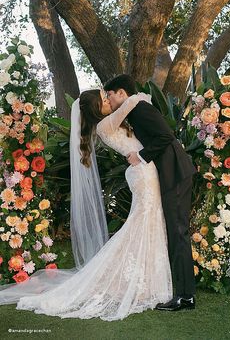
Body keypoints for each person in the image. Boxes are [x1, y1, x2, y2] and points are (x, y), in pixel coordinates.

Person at [0, 89, 172, 321]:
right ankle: (129, 278)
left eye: (105, 96)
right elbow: (131, 102)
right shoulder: (104, 126)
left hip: (144, 170)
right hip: (142, 175)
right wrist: (134, 96)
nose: (108, 101)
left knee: (148, 221)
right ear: (96, 110)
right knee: (142, 221)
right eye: (103, 100)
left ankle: (146, 278)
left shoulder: (112, 121)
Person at [104, 74, 197, 311]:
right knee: (177, 232)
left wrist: (141, 156)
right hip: (172, 175)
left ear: (122, 93)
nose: (109, 100)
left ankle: (185, 297)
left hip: (175, 174)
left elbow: (167, 135)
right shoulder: (134, 110)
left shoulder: (140, 109)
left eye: (111, 95)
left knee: (179, 233)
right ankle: (184, 294)